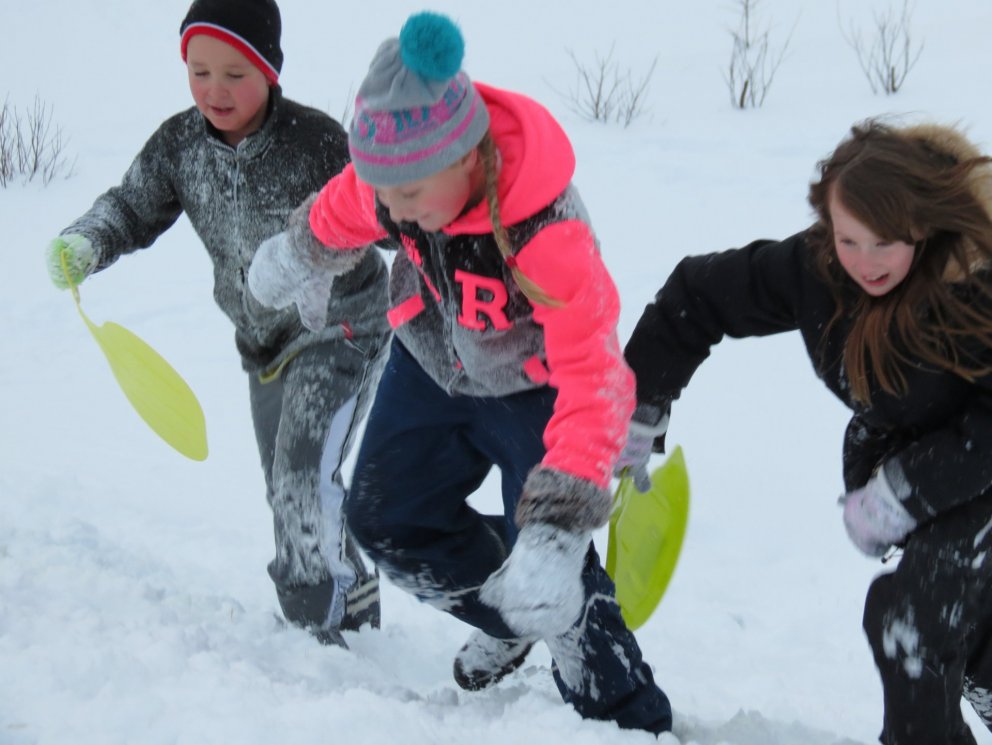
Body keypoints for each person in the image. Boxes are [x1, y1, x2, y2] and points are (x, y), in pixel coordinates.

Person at [247, 10, 673, 735]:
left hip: (535, 391)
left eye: (407, 194)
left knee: (553, 570)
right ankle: (508, 612)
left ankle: (628, 719)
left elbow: (595, 374)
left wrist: (558, 528)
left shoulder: (545, 231)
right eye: (386, 191)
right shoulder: (400, 179)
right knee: (387, 519)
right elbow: (347, 206)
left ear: (468, 155)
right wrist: (295, 256)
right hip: (429, 363)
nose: (392, 208)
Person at [618, 120, 992, 745]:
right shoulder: (817, 269)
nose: (864, 262)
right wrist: (641, 407)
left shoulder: (969, 290)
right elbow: (698, 298)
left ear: (921, 228)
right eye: (849, 239)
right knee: (953, 630)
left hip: (976, 468)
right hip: (911, 461)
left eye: (885, 243)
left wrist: (904, 492)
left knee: (912, 621)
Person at [44, 0, 391, 649]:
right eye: (199, 71)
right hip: (264, 344)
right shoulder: (179, 146)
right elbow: (132, 205)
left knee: (300, 477)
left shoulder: (314, 141)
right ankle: (355, 598)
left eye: (234, 73)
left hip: (346, 325)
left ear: (268, 70)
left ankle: (314, 629)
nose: (215, 90)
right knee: (293, 483)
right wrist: (89, 242)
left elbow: (383, 205)